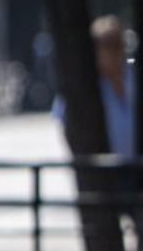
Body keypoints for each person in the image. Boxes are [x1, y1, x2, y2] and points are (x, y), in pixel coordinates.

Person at [53, 15, 137, 161]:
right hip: (101, 171)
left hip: (140, 169)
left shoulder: (134, 77)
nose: (115, 51)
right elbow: (65, 123)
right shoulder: (82, 85)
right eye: (107, 45)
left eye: (119, 43)